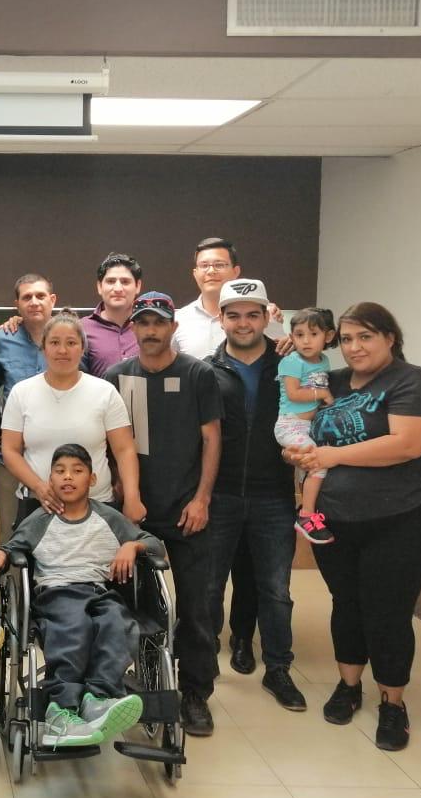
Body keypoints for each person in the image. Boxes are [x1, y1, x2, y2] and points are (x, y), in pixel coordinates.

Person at [288, 302, 421, 751]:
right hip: (337, 517)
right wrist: (296, 449)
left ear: (390, 338)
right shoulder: (334, 381)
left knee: (387, 608)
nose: (354, 347)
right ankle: (348, 686)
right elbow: (300, 419)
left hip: (405, 516)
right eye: (346, 339)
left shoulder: (412, 381)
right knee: (347, 602)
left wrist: (333, 455)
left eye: (365, 337)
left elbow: (407, 444)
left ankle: (392, 704)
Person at [104, 291, 223, 737]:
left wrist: (202, 498)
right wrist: (120, 487)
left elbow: (212, 439)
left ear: (173, 327)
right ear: (133, 328)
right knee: (127, 605)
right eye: (143, 323)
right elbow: (110, 441)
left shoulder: (198, 374)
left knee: (195, 607)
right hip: (134, 513)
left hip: (187, 510)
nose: (150, 331)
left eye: (158, 323)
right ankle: (131, 682)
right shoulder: (117, 375)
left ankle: (195, 693)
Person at [0, 444, 153, 747]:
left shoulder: (109, 517)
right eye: (60, 471)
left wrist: (132, 545)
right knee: (75, 626)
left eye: (77, 470)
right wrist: (0, 554)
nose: (68, 477)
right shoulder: (40, 519)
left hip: (99, 591)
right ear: (50, 479)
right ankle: (60, 709)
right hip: (57, 592)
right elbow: (13, 547)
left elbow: (153, 543)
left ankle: (98, 699)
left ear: (92, 479)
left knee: (116, 622)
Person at [204, 279, 307, 713]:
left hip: (273, 495)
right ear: (221, 319)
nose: (243, 323)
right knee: (209, 585)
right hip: (220, 494)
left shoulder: (290, 366)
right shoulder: (204, 371)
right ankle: (202, 663)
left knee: (275, 589)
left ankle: (278, 668)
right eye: (234, 315)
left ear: (267, 317)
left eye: (252, 315)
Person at [1, 312, 143, 529]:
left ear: (83, 348)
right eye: (54, 342)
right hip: (39, 505)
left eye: (71, 343)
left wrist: (132, 497)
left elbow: (124, 449)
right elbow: (10, 450)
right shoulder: (22, 392)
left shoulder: (105, 392)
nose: (62, 350)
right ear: (43, 347)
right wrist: (38, 486)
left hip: (97, 504)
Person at [0, 274, 55, 546]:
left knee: (55, 535)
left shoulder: (69, 337)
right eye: (27, 297)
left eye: (40, 296)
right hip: (11, 456)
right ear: (16, 304)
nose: (34, 302)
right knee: (10, 537)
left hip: (57, 456)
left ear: (52, 300)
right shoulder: (2, 338)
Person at [274, 307, 338, 545]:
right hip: (290, 425)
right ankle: (306, 515)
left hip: (307, 425)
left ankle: (309, 508)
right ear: (291, 338)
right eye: (299, 335)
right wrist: (322, 393)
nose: (306, 341)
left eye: (313, 334)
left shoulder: (324, 361)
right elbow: (293, 393)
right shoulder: (292, 362)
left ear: (328, 336)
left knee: (308, 468)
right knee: (318, 463)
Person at [171, 237, 289, 360]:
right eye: (204, 265)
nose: (211, 271)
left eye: (219, 265)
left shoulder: (263, 315)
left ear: (235, 271)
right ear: (195, 273)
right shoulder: (178, 320)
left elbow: (280, 358)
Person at [81, 253, 142, 377]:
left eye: (125, 282)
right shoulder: (81, 329)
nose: (118, 288)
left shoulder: (151, 328)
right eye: (110, 281)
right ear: (99, 286)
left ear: (137, 286)